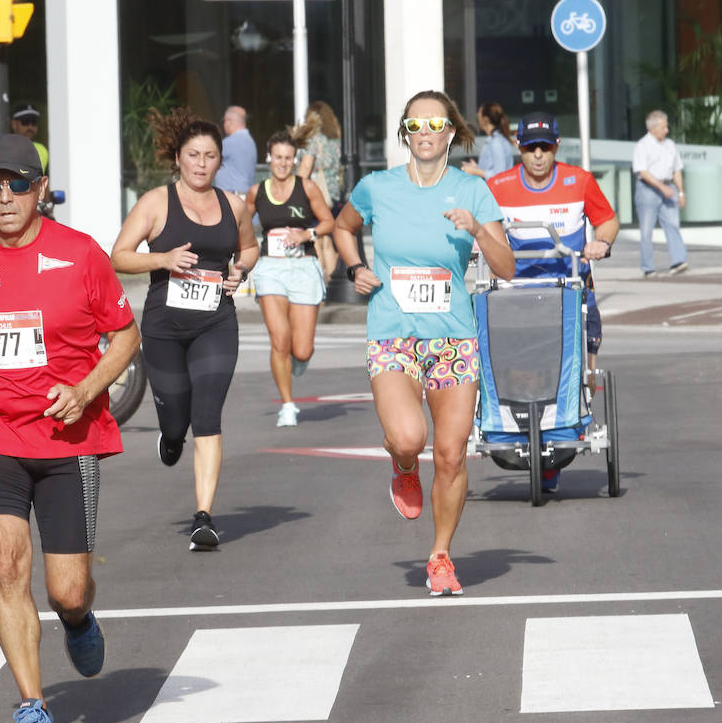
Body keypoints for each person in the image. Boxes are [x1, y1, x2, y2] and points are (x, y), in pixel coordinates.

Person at [0, 133, 139, 723]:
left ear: (41, 189)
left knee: (66, 588)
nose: (5, 197)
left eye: (17, 184)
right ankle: (32, 705)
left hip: (68, 436)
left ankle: (78, 618)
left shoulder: (81, 255)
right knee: (5, 564)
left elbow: (124, 336)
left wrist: (87, 387)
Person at [332, 89, 515, 595]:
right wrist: (357, 268)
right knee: (411, 437)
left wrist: (478, 229)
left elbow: (507, 267)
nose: (426, 134)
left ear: (452, 133)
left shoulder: (472, 190)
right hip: (393, 334)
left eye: (436, 125)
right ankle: (405, 464)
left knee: (453, 454)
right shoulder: (378, 187)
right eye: (415, 126)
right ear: (404, 135)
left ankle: (440, 556)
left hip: (453, 337)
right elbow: (343, 228)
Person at [111, 107, 259, 550]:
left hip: (216, 322)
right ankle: (171, 436)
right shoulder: (157, 203)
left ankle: (203, 517)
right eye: (193, 154)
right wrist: (162, 259)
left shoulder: (234, 205)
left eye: (210, 155)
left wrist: (241, 271)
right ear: (178, 157)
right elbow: (119, 255)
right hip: (165, 328)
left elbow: (249, 248)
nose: (201, 163)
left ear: (219, 161)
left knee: (207, 417)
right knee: (177, 418)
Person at [485, 110, 618, 493]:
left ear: (557, 146)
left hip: (572, 290)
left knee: (582, 368)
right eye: (530, 148)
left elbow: (607, 220)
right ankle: (517, 433)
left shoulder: (580, 180)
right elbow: (482, 232)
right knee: (521, 369)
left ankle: (575, 420)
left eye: (545, 147)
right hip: (515, 296)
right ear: (518, 147)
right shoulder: (498, 186)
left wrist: (601, 243)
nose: (538, 155)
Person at [245, 130, 334, 427]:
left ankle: (298, 360)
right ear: (269, 158)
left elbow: (328, 221)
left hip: (304, 268)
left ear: (294, 160)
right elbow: (242, 225)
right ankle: (288, 404)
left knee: (302, 350)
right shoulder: (257, 191)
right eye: (278, 158)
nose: (283, 164)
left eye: (288, 158)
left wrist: (307, 233)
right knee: (279, 339)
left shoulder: (306, 187)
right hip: (271, 268)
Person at [632, 109, 689, 277]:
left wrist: (681, 192)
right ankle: (648, 268)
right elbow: (642, 171)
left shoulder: (670, 145)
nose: (667, 130)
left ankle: (679, 261)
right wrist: (661, 187)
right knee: (647, 230)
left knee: (673, 225)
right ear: (652, 128)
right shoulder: (642, 146)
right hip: (648, 189)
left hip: (668, 187)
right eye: (663, 127)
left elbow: (676, 170)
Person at [292, 101, 344, 280]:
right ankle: (331, 280)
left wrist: (294, 190)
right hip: (333, 194)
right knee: (327, 239)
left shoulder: (313, 140)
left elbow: (305, 167)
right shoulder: (335, 139)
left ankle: (320, 280)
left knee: (316, 237)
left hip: (315, 194)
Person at [461, 102, 514, 180]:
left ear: (485, 119)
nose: (477, 119)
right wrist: (477, 168)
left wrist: (475, 171)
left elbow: (499, 174)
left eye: (479, 116)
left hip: (495, 191)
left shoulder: (496, 142)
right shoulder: (497, 139)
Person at [213, 105, 256, 194]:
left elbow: (208, 156)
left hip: (232, 196)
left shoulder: (230, 142)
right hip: (244, 194)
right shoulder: (249, 141)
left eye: (224, 121)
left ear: (229, 121)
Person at [10, 103, 49, 172]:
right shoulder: (5, 146)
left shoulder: (40, 149)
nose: (30, 127)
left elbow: (30, 174)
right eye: (25, 121)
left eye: (34, 122)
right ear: (14, 124)